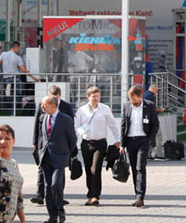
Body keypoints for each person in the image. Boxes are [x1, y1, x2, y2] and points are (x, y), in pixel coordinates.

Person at [74, 86, 120, 206]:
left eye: (98, 96)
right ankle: (90, 194)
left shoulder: (104, 109)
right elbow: (76, 128)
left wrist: (118, 139)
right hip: (86, 143)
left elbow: (112, 125)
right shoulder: (82, 110)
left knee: (96, 169)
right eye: (94, 96)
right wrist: (72, 143)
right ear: (88, 97)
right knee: (89, 169)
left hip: (100, 143)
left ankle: (95, 196)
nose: (96, 98)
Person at [36, 95, 77, 223]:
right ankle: (52, 216)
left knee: (56, 184)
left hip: (60, 157)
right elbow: (41, 137)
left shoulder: (65, 119)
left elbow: (73, 139)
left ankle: (60, 208)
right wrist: (40, 151)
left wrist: (65, 153)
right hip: (46, 158)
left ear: (53, 106)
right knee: (48, 189)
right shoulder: (43, 118)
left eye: (44, 104)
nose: (42, 106)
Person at [31, 86, 73, 206]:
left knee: (59, 172)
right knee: (41, 169)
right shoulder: (42, 104)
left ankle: (59, 196)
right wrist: (35, 141)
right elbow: (36, 123)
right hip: (43, 143)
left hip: (60, 144)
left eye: (56, 97)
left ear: (60, 95)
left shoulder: (66, 107)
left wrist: (69, 147)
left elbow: (70, 127)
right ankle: (40, 195)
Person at [119, 85, 159, 208]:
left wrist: (150, 139)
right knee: (134, 168)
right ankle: (136, 193)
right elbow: (123, 125)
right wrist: (122, 144)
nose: (133, 102)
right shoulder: (126, 106)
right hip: (130, 140)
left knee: (140, 167)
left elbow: (155, 124)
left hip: (143, 140)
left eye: (135, 99)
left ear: (140, 96)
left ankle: (140, 197)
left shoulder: (149, 106)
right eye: (131, 99)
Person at [0, 42, 39, 112]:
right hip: (15, 77)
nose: (19, 50)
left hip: (6, 78)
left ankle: (7, 108)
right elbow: (23, 69)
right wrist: (33, 77)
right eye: (18, 48)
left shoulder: (4, 54)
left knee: (8, 94)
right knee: (15, 95)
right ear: (16, 47)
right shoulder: (17, 57)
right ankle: (13, 111)